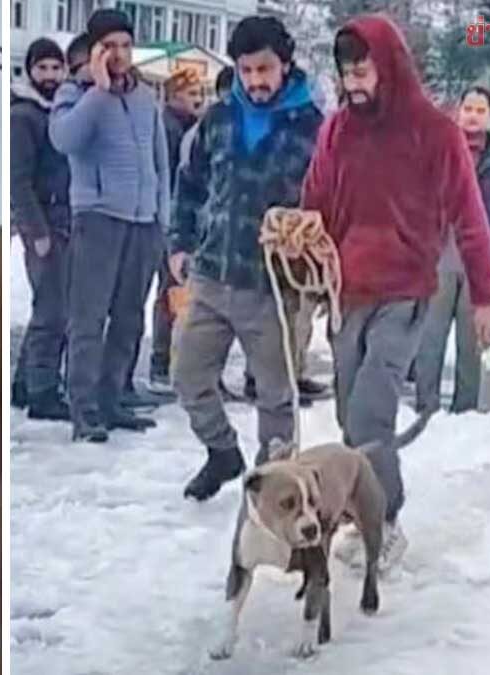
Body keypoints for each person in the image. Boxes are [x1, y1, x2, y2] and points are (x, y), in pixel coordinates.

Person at [301, 16, 490, 568]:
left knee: (369, 412)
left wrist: (483, 294)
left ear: (388, 66)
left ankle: (384, 520)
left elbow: (469, 215)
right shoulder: (338, 130)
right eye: (345, 74)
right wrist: (298, 244)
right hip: (348, 291)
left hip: (407, 292)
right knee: (349, 413)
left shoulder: (435, 132)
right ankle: (367, 502)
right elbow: (314, 199)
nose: (353, 84)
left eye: (362, 71)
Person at [169, 16, 323, 500]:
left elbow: (329, 204)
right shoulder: (217, 118)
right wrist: (180, 241)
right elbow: (190, 186)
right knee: (188, 376)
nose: (256, 81)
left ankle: (274, 489)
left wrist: (312, 252)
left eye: (265, 69)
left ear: (285, 65)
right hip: (213, 275)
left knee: (276, 398)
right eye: (246, 70)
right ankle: (221, 452)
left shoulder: (314, 128)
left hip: (272, 287)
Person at [50, 8, 170, 442]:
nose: (119, 54)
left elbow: (160, 161)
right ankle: (84, 411)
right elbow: (64, 139)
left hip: (142, 221)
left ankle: (113, 399)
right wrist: (97, 91)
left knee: (128, 317)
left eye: (124, 45)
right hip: (98, 218)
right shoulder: (74, 92)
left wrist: (162, 216)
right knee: (88, 318)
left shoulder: (145, 95)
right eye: (109, 46)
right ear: (95, 50)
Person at [414, 86, 490, 415]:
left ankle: (465, 411)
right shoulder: (438, 149)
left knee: (472, 341)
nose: (473, 116)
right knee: (429, 337)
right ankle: (426, 408)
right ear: (457, 112)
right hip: (438, 258)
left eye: (481, 110)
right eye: (468, 108)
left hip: (480, 263)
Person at [11, 38, 73, 421]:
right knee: (53, 310)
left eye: (55, 68)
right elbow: (19, 181)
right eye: (42, 68)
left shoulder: (60, 112)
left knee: (50, 307)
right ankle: (43, 392)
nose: (49, 76)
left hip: (65, 222)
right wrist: (37, 230)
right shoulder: (25, 117)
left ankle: (23, 382)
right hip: (45, 225)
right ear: (30, 72)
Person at [146, 65, 206, 394]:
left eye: (201, 94)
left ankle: (177, 360)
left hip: (190, 221)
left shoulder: (194, 128)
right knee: (172, 291)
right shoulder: (168, 128)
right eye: (192, 94)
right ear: (173, 96)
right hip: (171, 220)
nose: (198, 100)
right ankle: (161, 359)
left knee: (186, 293)